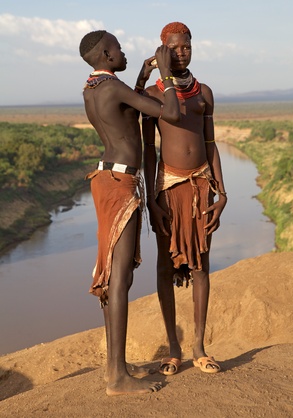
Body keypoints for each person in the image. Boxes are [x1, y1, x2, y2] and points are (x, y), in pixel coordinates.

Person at [79, 30, 180, 396]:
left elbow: (128, 105)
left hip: (107, 178)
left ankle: (115, 366)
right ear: (106, 54)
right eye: (119, 49)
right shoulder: (112, 88)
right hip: (121, 184)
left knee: (112, 273)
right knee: (119, 277)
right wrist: (166, 74)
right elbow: (170, 110)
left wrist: (139, 74)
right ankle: (118, 380)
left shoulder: (93, 87)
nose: (123, 52)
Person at [142, 22, 227, 376]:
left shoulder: (203, 92)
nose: (181, 52)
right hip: (170, 187)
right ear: (163, 49)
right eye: (174, 47)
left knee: (201, 265)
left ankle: (199, 348)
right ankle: (173, 350)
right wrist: (151, 199)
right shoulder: (151, 93)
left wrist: (221, 191)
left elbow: (210, 144)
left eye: (186, 46)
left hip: (201, 187)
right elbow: (149, 150)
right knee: (165, 265)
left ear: (193, 47)